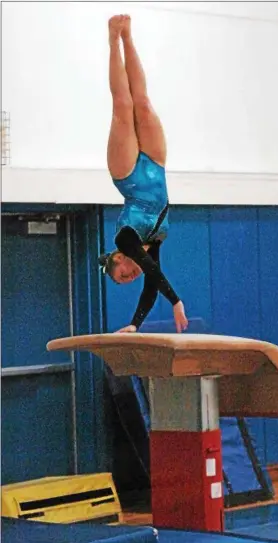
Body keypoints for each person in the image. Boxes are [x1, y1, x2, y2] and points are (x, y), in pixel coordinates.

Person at [99, 15, 188, 334]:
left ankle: (117, 39)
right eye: (127, 282)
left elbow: (150, 271)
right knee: (144, 104)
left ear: (119, 258)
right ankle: (128, 36)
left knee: (124, 105)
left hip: (129, 177)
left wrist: (175, 301)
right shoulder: (155, 242)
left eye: (122, 275)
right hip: (156, 164)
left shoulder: (125, 237)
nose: (130, 278)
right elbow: (151, 284)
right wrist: (135, 325)